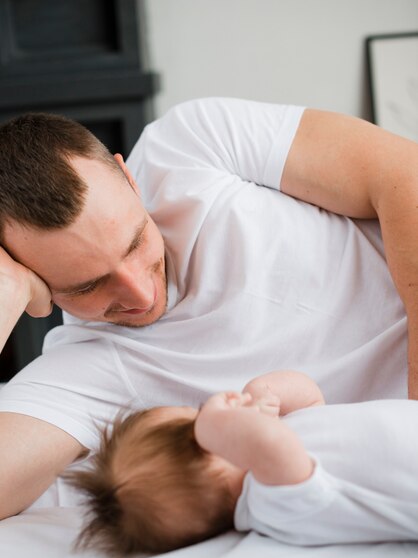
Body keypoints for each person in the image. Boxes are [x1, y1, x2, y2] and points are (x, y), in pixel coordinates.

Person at [0, 98, 417, 521]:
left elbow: (401, 173)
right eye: (88, 285)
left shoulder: (187, 145)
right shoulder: (83, 371)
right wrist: (5, 290)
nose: (141, 295)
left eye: (136, 241)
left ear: (129, 178)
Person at [66, 370, 418, 558]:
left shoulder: (284, 453)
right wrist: (220, 419)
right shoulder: (272, 504)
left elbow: (311, 396)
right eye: (199, 421)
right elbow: (271, 444)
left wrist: (262, 391)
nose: (209, 412)